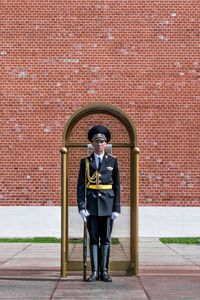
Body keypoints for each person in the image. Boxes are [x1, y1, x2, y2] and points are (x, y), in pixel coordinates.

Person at [77, 125, 120, 282]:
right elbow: (81, 186)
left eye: (102, 141)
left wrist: (116, 208)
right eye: (96, 141)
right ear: (92, 144)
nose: (99, 144)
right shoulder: (85, 162)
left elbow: (117, 186)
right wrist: (82, 207)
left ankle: (105, 271)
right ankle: (94, 271)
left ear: (106, 144)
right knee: (94, 239)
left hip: (108, 206)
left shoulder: (113, 161)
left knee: (106, 240)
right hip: (92, 206)